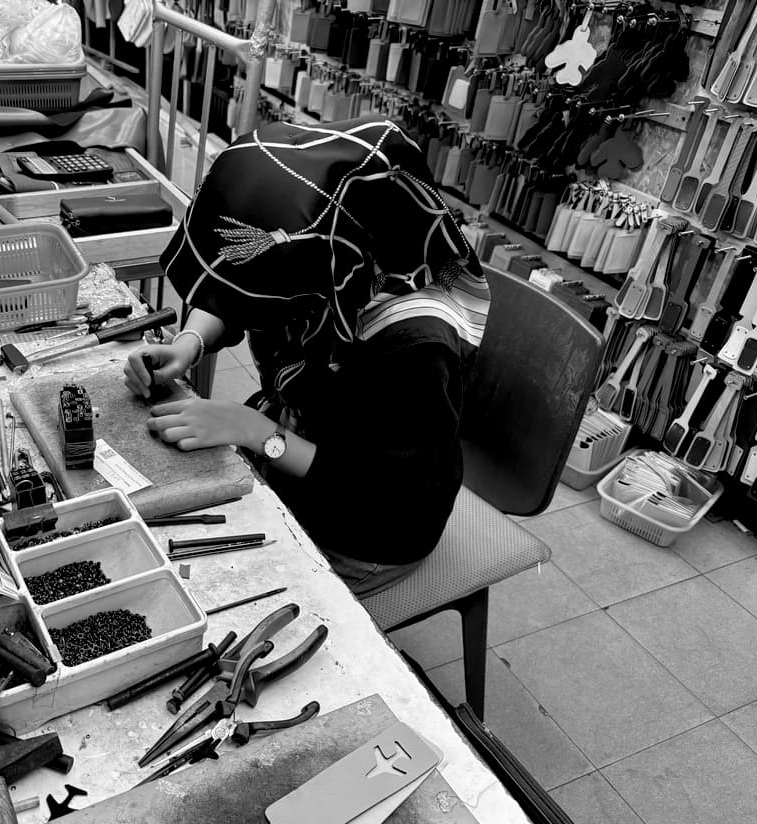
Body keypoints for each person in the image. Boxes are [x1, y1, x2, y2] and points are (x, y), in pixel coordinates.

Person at [123, 118, 491, 598]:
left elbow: (369, 490)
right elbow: (243, 294)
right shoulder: (334, 261)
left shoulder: (415, 351)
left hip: (374, 521)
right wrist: (188, 342)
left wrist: (253, 431)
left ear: (334, 266)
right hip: (305, 437)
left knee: (229, 591)